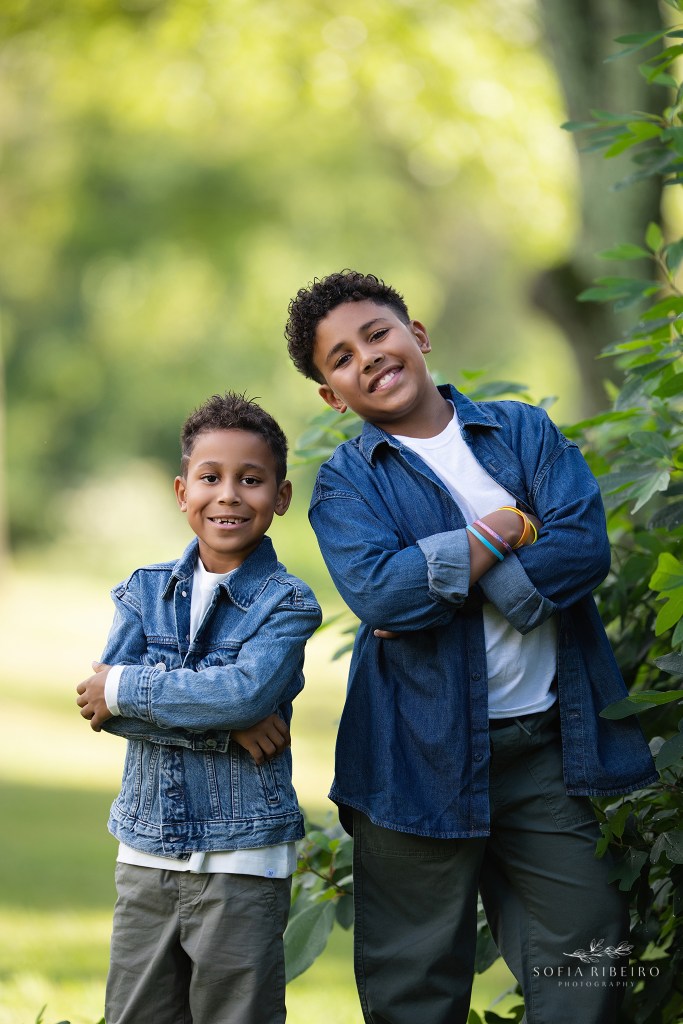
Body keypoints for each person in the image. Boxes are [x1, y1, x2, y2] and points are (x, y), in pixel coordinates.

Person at [284, 270, 657, 1024]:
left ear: (416, 336)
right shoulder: (347, 486)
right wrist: (505, 528)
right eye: (341, 358)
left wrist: (445, 584)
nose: (368, 357)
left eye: (377, 333)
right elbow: (381, 597)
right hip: (411, 758)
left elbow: (583, 548)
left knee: (586, 960)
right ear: (332, 395)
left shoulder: (522, 432)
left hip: (549, 747)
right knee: (411, 981)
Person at [76, 391, 322, 1024]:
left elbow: (243, 692)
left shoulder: (288, 603)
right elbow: (101, 707)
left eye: (251, 479)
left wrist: (136, 688)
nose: (230, 495)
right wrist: (227, 727)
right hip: (145, 850)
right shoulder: (143, 590)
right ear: (183, 491)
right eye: (211, 478)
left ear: (282, 495)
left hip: (242, 859)